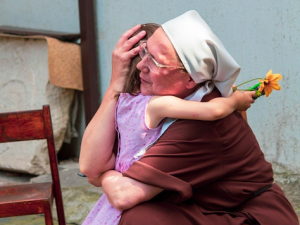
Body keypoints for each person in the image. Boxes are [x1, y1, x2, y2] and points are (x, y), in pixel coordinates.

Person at [80, 11, 299, 225]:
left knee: (140, 218)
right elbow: (90, 165)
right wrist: (115, 85)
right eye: (144, 52)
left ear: (190, 80)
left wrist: (104, 177)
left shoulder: (199, 123)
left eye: (155, 61)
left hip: (249, 217)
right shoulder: (162, 104)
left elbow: (122, 194)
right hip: (208, 209)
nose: (140, 66)